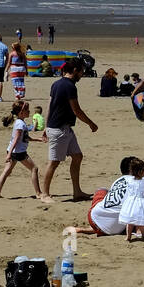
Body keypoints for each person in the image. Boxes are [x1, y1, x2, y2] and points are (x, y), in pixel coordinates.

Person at [42, 60, 98, 203]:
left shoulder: (56, 84)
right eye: (81, 71)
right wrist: (91, 123)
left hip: (64, 128)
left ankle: (77, 192)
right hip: (58, 129)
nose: (82, 74)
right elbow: (76, 110)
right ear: (74, 70)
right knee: (54, 162)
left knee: (77, 156)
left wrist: (45, 126)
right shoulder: (69, 87)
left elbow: (49, 105)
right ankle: (45, 194)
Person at [0, 100, 46, 200]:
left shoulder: (21, 123)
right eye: (27, 110)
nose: (29, 111)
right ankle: (38, 193)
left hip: (14, 151)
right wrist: (9, 154)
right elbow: (16, 140)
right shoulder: (20, 124)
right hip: (18, 152)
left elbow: (25, 138)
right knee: (34, 168)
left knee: (6, 171)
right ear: (21, 113)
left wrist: (39, 139)